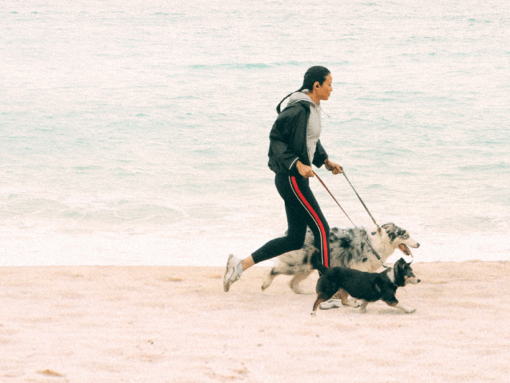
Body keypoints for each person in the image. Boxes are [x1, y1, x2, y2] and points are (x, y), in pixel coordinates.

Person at [223, 66, 343, 292]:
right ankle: (329, 291)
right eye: (329, 84)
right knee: (321, 229)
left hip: (295, 180)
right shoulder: (298, 109)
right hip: (291, 178)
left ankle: (238, 266)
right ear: (316, 86)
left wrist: (325, 161)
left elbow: (309, 140)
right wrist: (297, 164)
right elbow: (276, 138)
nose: (332, 89)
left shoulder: (313, 108)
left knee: (295, 239)